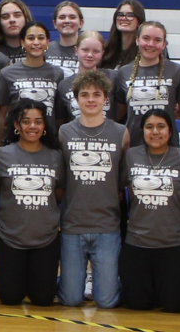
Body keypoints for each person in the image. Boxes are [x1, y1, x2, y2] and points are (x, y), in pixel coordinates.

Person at [57, 70, 129, 308]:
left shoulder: (120, 132)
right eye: (85, 94)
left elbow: (122, 176)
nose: (90, 99)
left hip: (107, 225)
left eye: (96, 94)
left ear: (105, 99)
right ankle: (68, 280)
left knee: (107, 302)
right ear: (76, 99)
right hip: (73, 224)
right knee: (71, 300)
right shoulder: (64, 132)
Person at [120, 108, 180, 312]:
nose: (155, 132)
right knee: (137, 304)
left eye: (161, 126)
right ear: (142, 131)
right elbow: (119, 188)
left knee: (174, 304)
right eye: (149, 127)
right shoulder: (131, 156)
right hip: (137, 242)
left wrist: (172, 198)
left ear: (170, 132)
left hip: (172, 242)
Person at [0, 99, 65, 306]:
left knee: (43, 299)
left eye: (38, 121)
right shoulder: (2, 155)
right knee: (10, 298)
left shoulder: (56, 156)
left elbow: (59, 194)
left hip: (45, 237)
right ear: (16, 125)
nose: (32, 126)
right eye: (26, 121)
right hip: (9, 236)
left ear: (44, 126)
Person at [112, 21, 180, 147]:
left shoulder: (176, 71)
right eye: (146, 38)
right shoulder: (123, 72)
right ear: (137, 40)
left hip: (167, 146)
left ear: (164, 45)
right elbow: (120, 113)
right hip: (134, 146)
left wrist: (167, 112)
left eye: (157, 40)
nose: (151, 44)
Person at [0, 22, 65, 132]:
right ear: (22, 42)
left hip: (47, 142)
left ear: (47, 42)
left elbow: (59, 116)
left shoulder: (58, 73)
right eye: (31, 38)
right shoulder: (7, 73)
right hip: (16, 140)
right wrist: (0, 144)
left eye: (41, 38)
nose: (36, 42)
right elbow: (2, 115)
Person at [56, 31, 112, 123]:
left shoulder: (112, 77)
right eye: (85, 50)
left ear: (102, 53)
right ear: (76, 50)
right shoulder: (64, 85)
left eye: (96, 51)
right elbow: (61, 119)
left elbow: (120, 111)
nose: (90, 55)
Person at [101, 0, 145, 69]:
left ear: (139, 21)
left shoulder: (144, 53)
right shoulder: (106, 52)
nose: (124, 18)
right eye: (120, 14)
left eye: (130, 15)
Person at [49, 1, 86, 76]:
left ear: (81, 23)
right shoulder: (46, 50)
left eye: (72, 17)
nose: (67, 21)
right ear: (55, 24)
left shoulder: (90, 50)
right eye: (62, 17)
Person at [0, 0, 34, 65]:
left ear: (26, 18)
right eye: (5, 17)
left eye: (17, 15)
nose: (12, 20)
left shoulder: (39, 49)